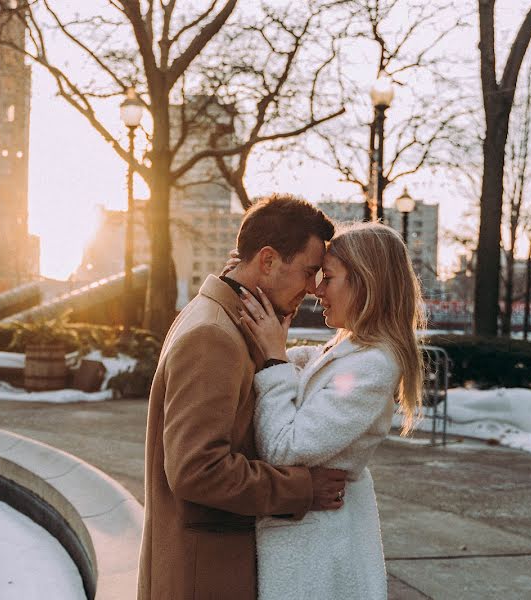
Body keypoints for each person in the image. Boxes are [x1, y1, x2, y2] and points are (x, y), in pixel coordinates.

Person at [138, 194, 348, 600]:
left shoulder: (223, 319)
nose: (312, 287)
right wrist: (302, 488)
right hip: (207, 574)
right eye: (308, 272)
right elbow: (197, 470)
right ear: (267, 260)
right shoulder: (213, 336)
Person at [233, 221, 425, 599]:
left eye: (329, 278)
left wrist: (274, 360)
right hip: (312, 540)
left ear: (365, 284)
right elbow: (310, 367)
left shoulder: (374, 366)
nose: (317, 290)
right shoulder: (351, 349)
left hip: (316, 554)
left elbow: (284, 448)